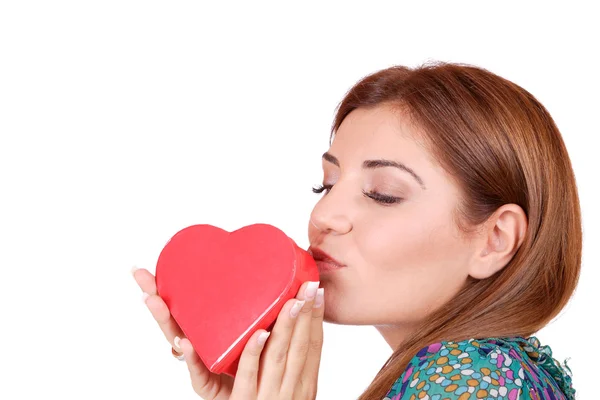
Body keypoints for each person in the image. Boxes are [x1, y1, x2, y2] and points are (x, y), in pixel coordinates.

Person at [133, 61, 580, 399]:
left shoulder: (467, 381)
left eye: (383, 193)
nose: (325, 215)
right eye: (325, 185)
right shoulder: (499, 371)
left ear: (494, 240)